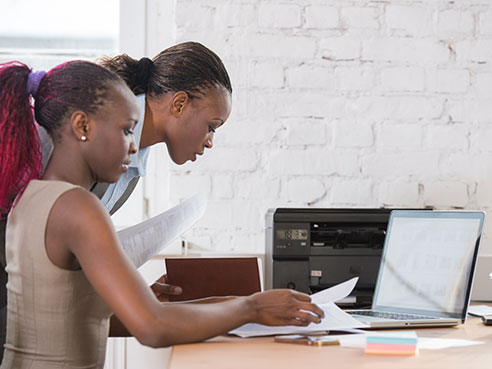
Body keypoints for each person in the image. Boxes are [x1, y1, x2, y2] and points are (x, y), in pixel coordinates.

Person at [0, 60, 324, 368]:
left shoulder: (30, 197)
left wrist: (239, 306)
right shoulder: (79, 207)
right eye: (127, 130)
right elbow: (152, 327)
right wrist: (250, 306)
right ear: (82, 126)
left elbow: (75, 317)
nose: (133, 146)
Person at [0, 41, 233, 357]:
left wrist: (124, 294)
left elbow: (60, 265)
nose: (210, 142)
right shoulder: (69, 156)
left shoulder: (125, 164)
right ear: (179, 104)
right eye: (212, 126)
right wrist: (250, 309)